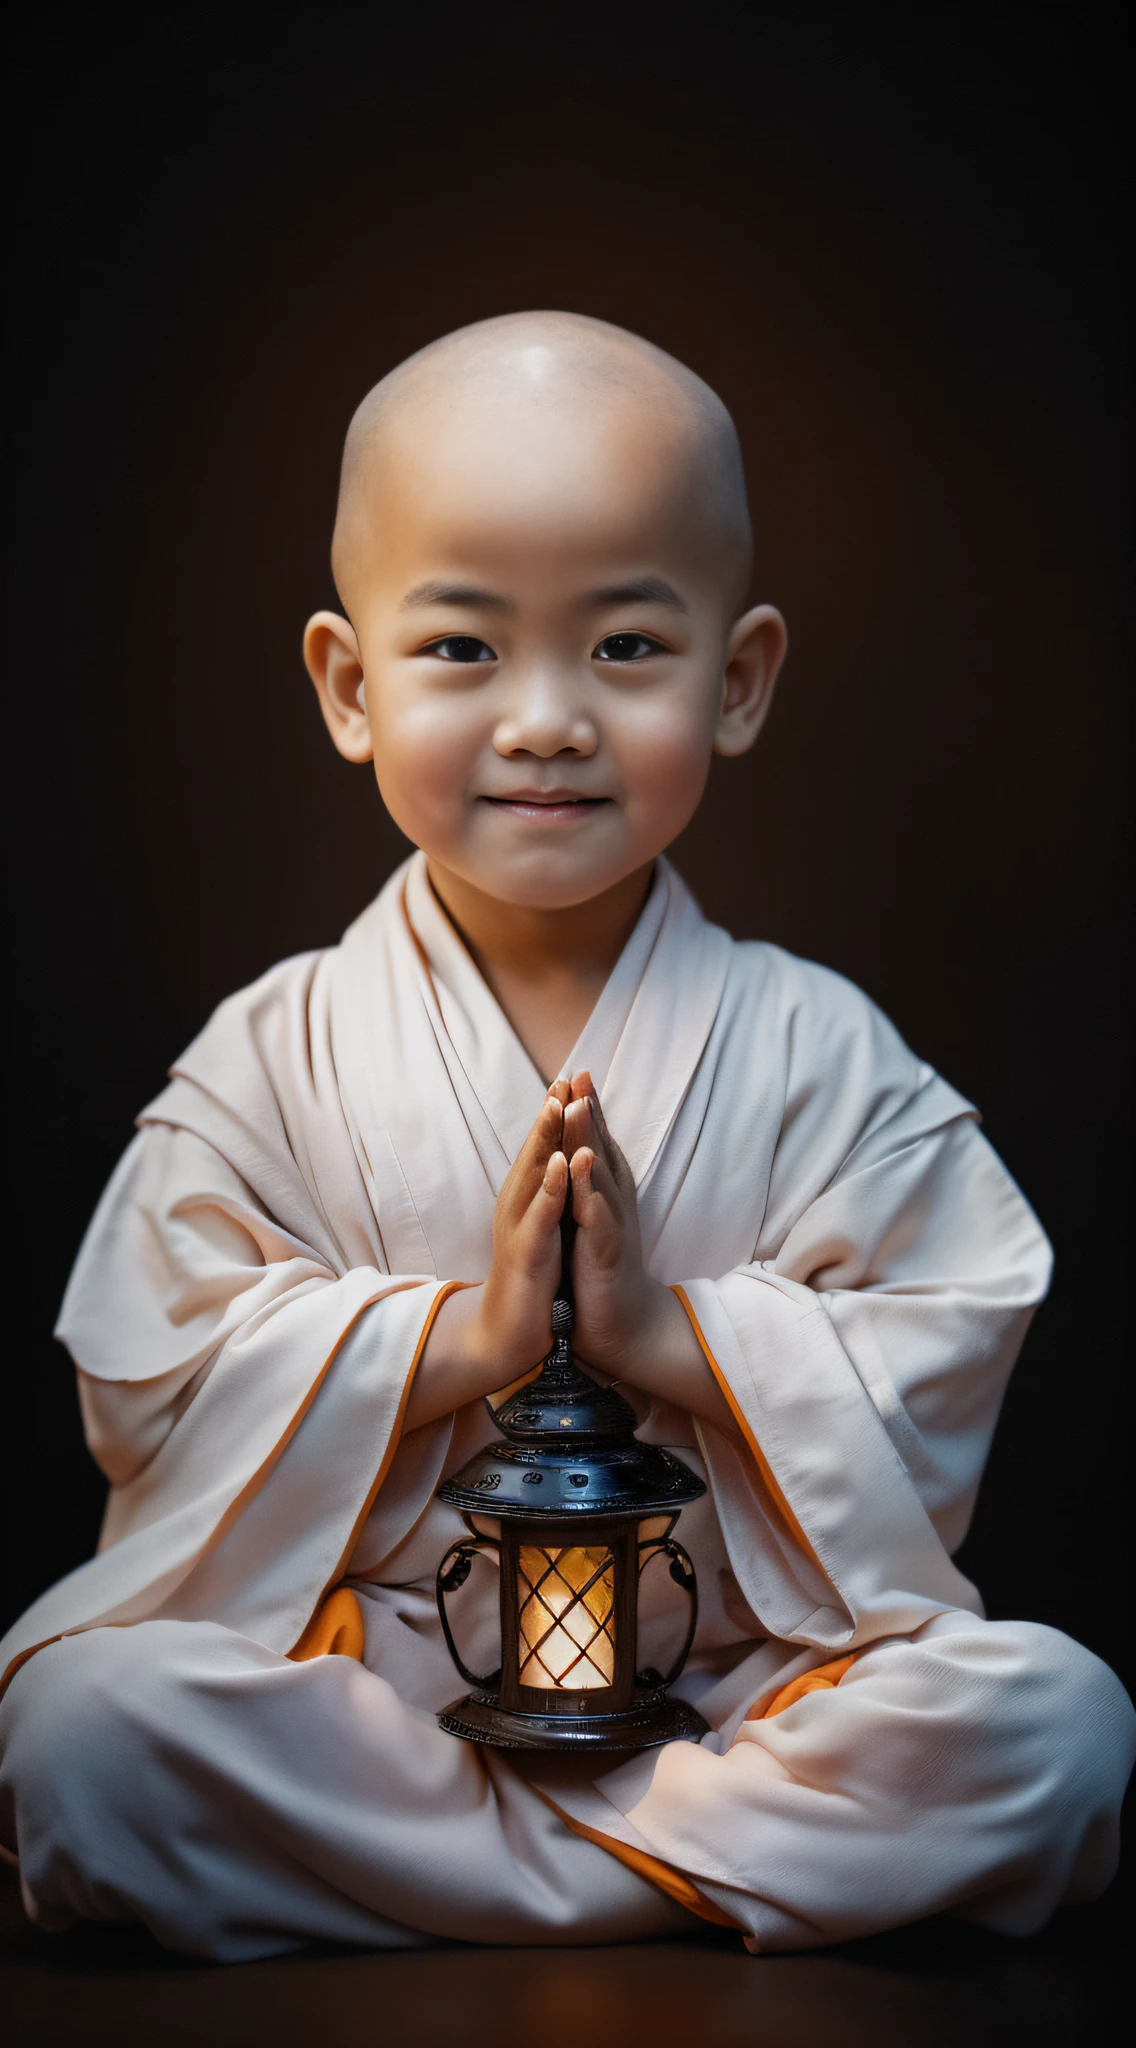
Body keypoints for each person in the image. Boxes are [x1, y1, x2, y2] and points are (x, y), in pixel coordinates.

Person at [2, 312, 1131, 1961]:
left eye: (623, 649)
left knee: (1058, 1722)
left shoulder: (818, 1045)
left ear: (738, 682)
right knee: (87, 1736)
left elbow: (941, 1335)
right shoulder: (275, 1049)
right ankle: (693, 1877)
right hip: (375, 1674)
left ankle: (472, 1882)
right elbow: (150, 1378)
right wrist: (448, 1346)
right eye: (463, 648)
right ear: (348, 684)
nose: (545, 719)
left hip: (732, 1681)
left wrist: (676, 1340)